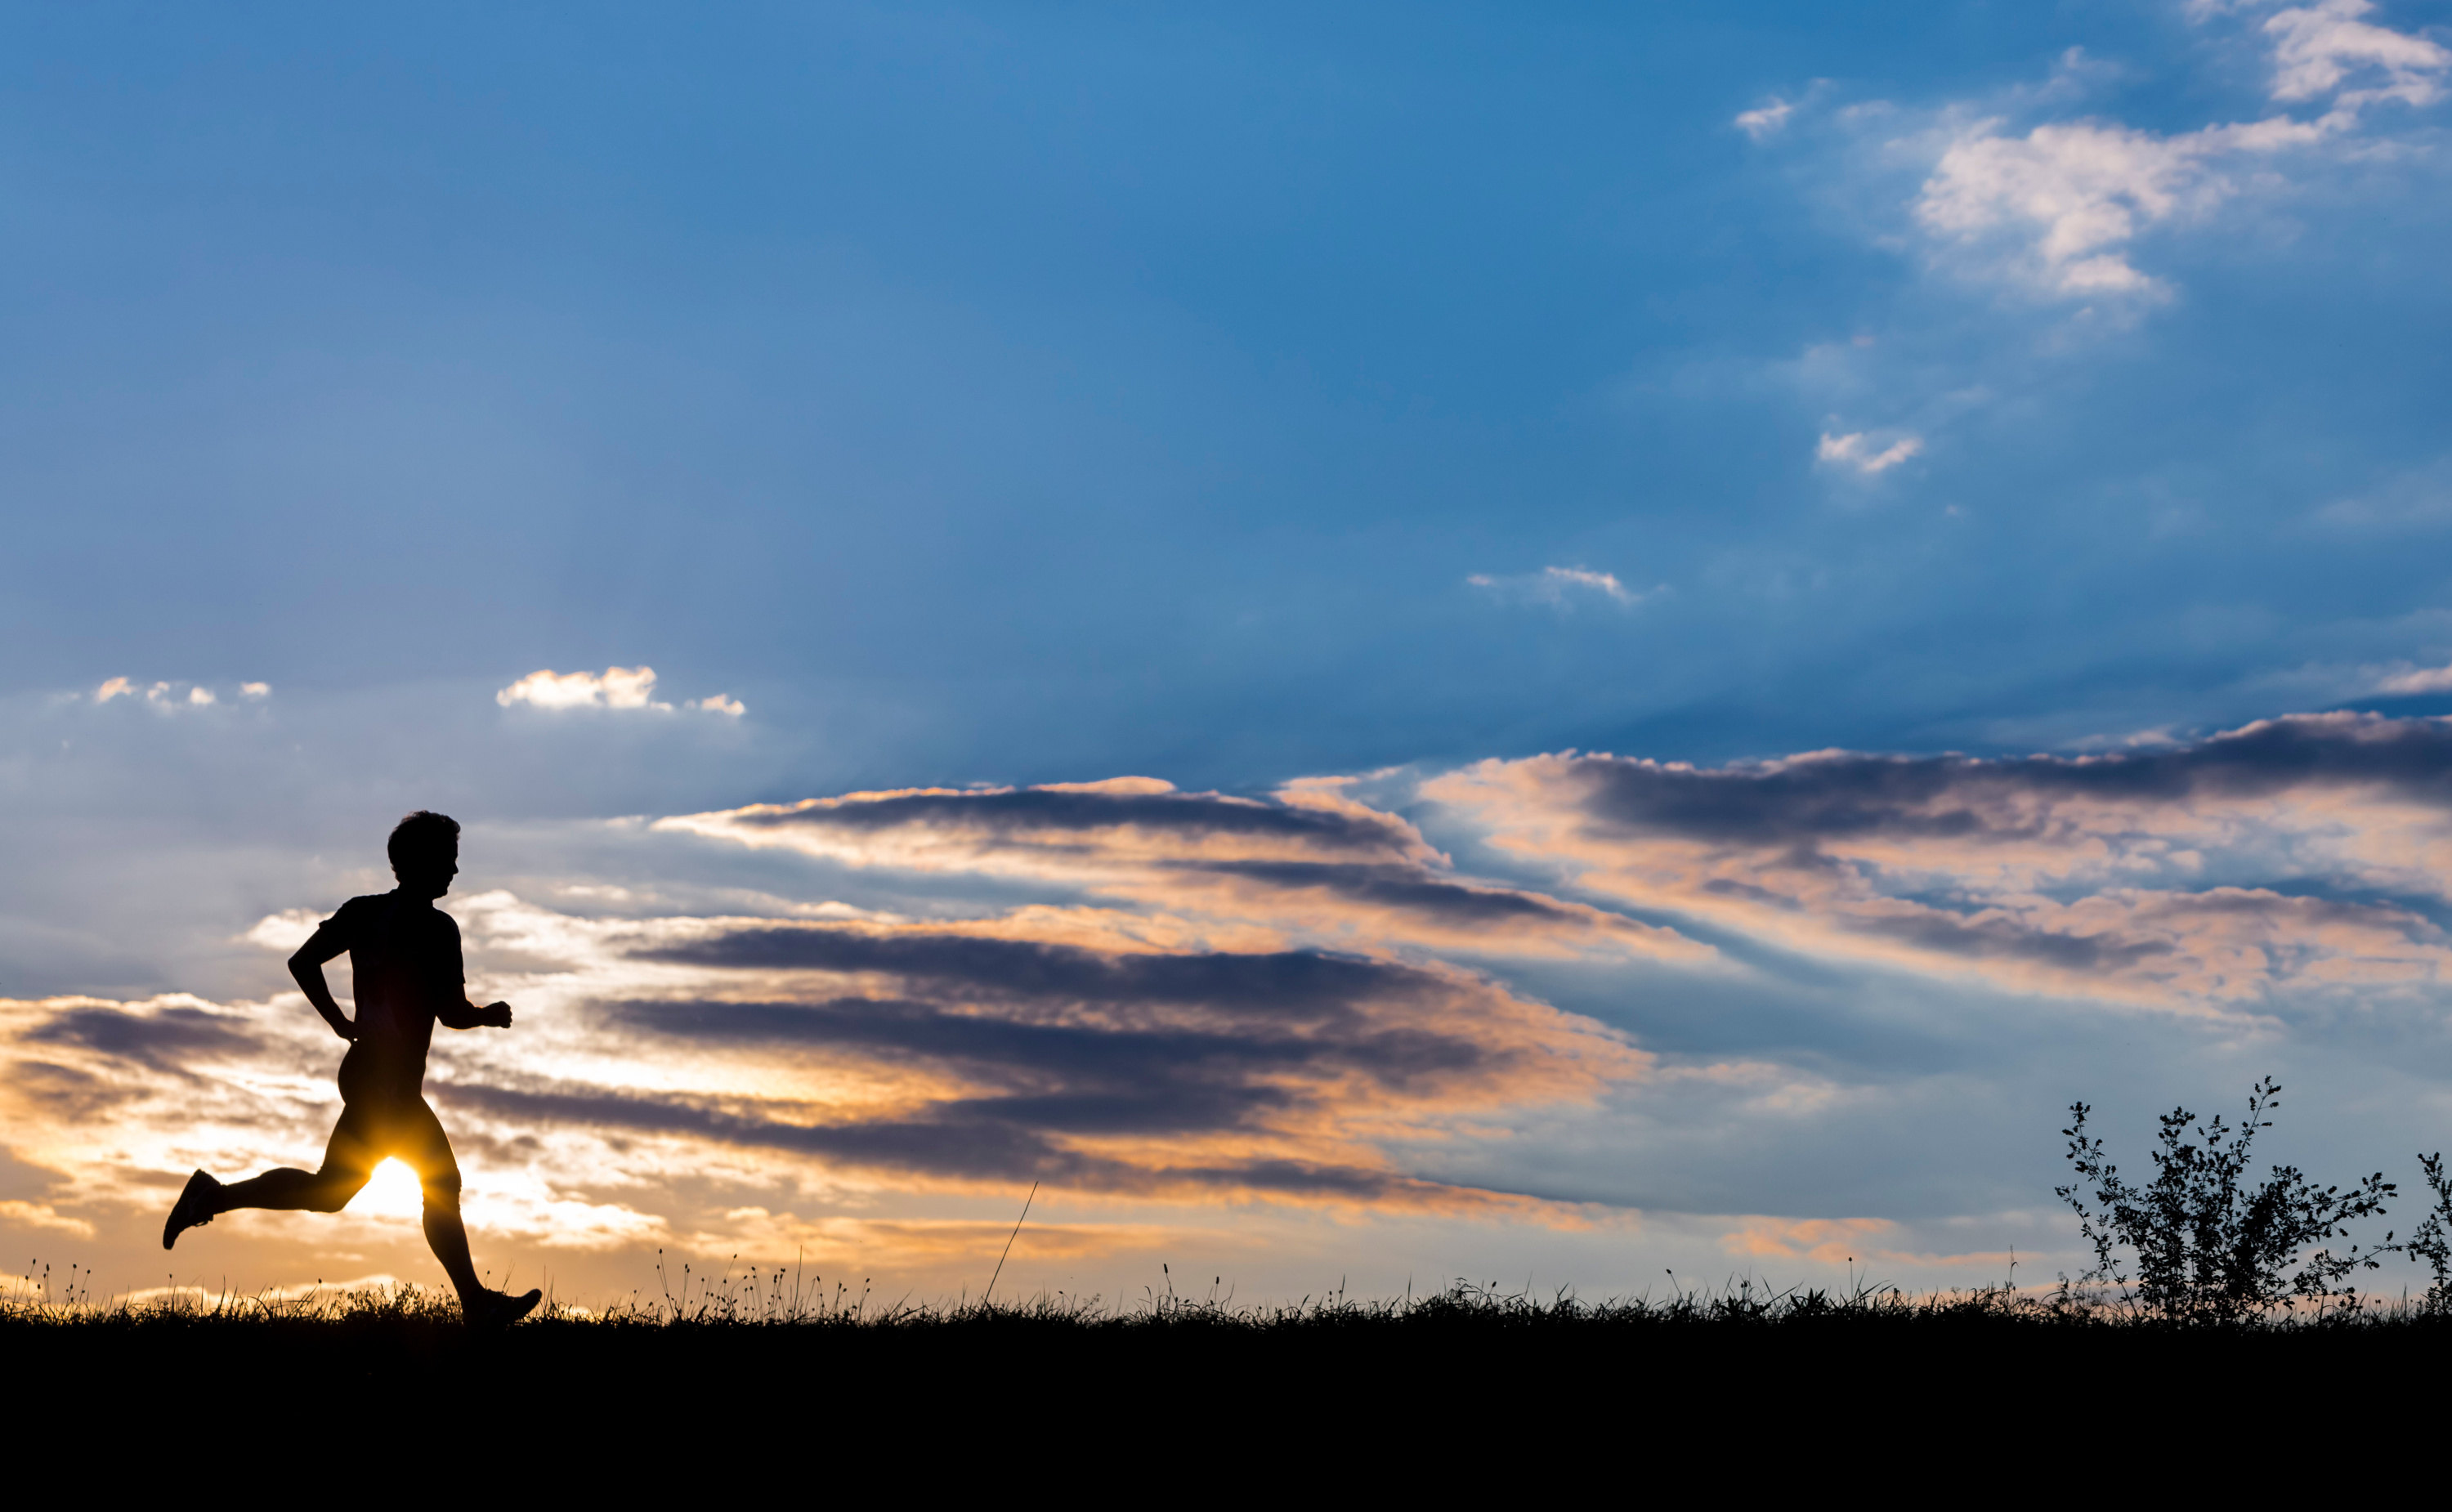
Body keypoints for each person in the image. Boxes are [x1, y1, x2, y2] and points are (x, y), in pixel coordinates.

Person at [163, 810, 541, 1328]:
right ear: (419, 863)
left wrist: (340, 1022)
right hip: (384, 1084)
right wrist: (487, 1017)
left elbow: (303, 962)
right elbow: (451, 1013)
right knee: (442, 1180)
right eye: (448, 860)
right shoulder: (437, 929)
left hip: (369, 1074)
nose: (455, 871)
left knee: (330, 1192)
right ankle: (476, 1304)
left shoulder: (367, 914)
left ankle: (212, 1195)